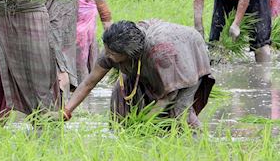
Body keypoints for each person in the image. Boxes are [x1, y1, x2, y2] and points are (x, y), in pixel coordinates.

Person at [63, 20, 214, 128]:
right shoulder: (113, 49)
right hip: (148, 61)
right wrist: (66, 111)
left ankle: (199, 142)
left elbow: (168, 97)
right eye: (107, 50)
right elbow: (89, 83)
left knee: (179, 112)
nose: (106, 55)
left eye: (112, 53)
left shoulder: (161, 54)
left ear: (130, 54)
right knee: (120, 99)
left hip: (186, 56)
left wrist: (141, 124)